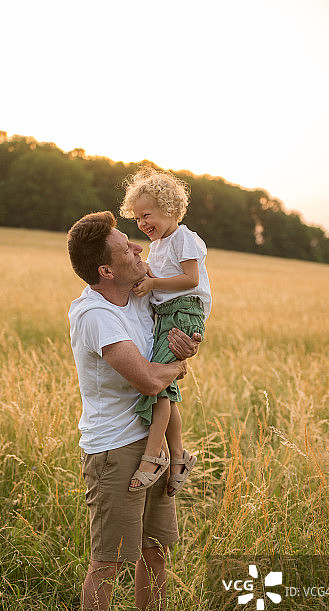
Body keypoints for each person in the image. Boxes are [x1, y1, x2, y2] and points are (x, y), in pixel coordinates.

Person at [67, 210, 201, 611]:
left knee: (155, 554)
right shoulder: (94, 314)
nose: (139, 249)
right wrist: (176, 369)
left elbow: (173, 341)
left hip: (154, 444)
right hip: (115, 453)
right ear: (106, 270)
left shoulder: (141, 299)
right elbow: (147, 379)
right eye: (127, 248)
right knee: (108, 564)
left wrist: (186, 348)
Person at [119, 168, 211, 495]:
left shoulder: (183, 238)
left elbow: (190, 280)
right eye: (136, 219)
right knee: (165, 389)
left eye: (146, 215)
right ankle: (179, 456)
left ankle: (153, 456)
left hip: (183, 314)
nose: (142, 224)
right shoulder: (157, 244)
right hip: (166, 315)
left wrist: (154, 283)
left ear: (170, 210)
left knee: (157, 385)